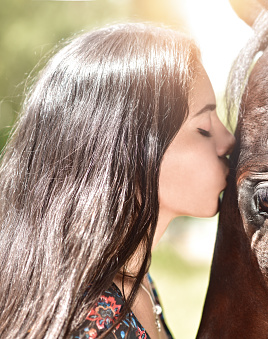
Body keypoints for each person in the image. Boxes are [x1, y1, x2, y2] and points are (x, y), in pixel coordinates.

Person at [0, 23, 235, 339]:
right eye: (204, 128)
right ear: (128, 152)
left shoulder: (133, 280)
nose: (228, 141)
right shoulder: (87, 322)